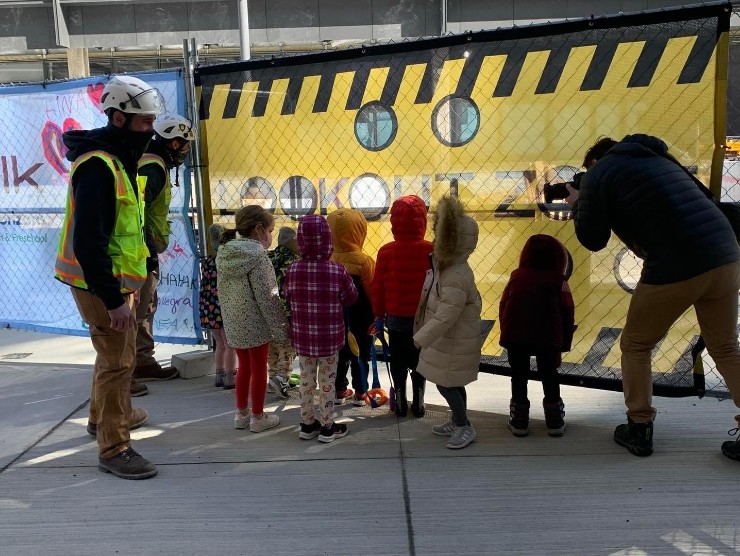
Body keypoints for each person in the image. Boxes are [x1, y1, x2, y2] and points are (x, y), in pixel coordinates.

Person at [570, 134, 740, 461]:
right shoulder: (658, 158)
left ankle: (639, 427)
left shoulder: (599, 173)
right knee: (725, 346)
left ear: (593, 162)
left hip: (677, 262)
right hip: (726, 252)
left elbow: (592, 239)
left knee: (636, 344)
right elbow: (705, 198)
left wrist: (580, 199)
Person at [54, 75, 164, 480]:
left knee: (115, 355)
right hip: (102, 285)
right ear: (118, 118)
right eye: (143, 123)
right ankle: (114, 447)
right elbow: (88, 241)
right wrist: (114, 299)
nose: (150, 131)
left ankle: (102, 418)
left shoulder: (117, 157)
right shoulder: (99, 165)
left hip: (117, 282)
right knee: (118, 362)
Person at [131, 114, 195, 390]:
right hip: (138, 251)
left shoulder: (151, 162)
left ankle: (142, 363)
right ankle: (128, 370)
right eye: (184, 145)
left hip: (140, 249)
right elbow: (137, 214)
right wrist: (147, 254)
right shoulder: (152, 168)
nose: (185, 151)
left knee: (145, 307)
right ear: (174, 142)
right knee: (138, 309)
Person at [413, 195, 482, 450]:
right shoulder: (448, 268)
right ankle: (457, 419)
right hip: (448, 342)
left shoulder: (455, 274)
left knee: (447, 384)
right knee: (453, 382)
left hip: (452, 341)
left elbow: (445, 316)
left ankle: (464, 425)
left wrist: (420, 338)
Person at [283, 215, 358, 443]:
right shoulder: (337, 270)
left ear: (301, 241)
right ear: (328, 239)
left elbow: (287, 296)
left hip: (303, 339)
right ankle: (327, 427)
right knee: (327, 382)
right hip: (329, 339)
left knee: (306, 381)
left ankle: (307, 424)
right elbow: (351, 298)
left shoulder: (293, 270)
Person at [216, 205, 288, 433]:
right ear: (258, 229)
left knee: (244, 367)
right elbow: (268, 296)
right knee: (259, 369)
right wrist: (281, 327)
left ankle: (241, 414)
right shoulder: (258, 257)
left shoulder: (223, 253)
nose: (270, 235)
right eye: (270, 229)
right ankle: (258, 416)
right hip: (256, 322)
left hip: (234, 321)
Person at [499, 234, 575, 437]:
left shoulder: (516, 276)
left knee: (518, 375)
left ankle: (519, 420)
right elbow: (568, 311)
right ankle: (554, 420)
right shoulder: (559, 280)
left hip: (516, 335)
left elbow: (504, 305)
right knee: (549, 375)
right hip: (548, 336)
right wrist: (563, 344)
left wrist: (505, 333)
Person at [371, 195, 433, 417]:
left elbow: (377, 287)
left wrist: (378, 315)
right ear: (422, 221)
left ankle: (399, 399)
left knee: (397, 360)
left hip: (395, 318)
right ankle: (419, 401)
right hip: (422, 319)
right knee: (419, 361)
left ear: (394, 222)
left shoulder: (386, 251)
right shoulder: (431, 249)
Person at [326, 208, 376, 406]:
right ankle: (361, 392)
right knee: (361, 354)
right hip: (361, 319)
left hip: (334, 320)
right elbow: (373, 291)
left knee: (338, 355)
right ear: (360, 231)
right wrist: (378, 315)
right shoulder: (364, 262)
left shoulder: (327, 260)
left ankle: (338, 389)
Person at [199, 223, 237, 389]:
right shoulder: (227, 261)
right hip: (224, 307)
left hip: (209, 309)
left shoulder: (207, 262)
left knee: (219, 344)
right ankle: (230, 376)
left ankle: (219, 374)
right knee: (230, 344)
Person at [266, 226, 300, 398]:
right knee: (288, 347)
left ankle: (272, 379)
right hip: (288, 311)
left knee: (272, 347)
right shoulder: (295, 261)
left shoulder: (268, 257)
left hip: (268, 311)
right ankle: (281, 378)